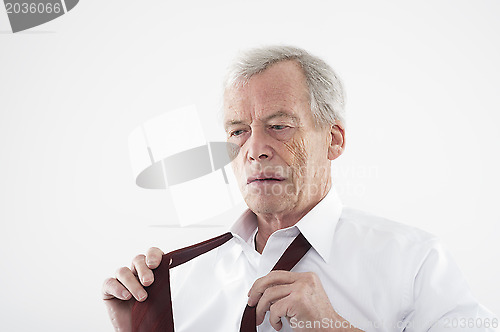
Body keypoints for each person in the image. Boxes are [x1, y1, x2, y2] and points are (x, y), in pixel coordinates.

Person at [102, 46, 497, 331]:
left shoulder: (415, 262)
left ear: (334, 140)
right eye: (238, 131)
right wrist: (138, 325)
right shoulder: (179, 278)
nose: (254, 150)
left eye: (279, 126)